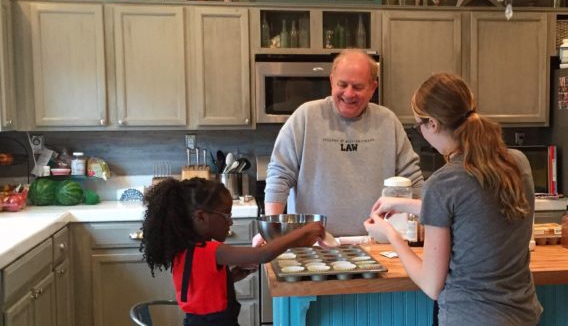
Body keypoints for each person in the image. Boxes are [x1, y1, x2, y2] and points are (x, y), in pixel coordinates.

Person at [364, 73, 542, 326]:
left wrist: (390, 234)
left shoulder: (443, 182)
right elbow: (473, 212)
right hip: (524, 316)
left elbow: (431, 285)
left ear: (433, 124)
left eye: (418, 126)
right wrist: (401, 203)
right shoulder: (517, 163)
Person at [255, 49, 423, 240]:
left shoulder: (388, 122)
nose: (349, 94)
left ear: (373, 87)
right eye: (342, 84)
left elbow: (413, 181)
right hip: (313, 244)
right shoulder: (305, 117)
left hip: (376, 243)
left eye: (358, 87)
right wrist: (272, 228)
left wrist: (423, 228)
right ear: (331, 80)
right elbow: (279, 176)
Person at [141, 177, 324, 326]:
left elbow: (199, 288)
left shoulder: (183, 249)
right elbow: (263, 254)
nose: (230, 221)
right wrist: (304, 231)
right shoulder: (212, 250)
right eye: (226, 214)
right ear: (201, 217)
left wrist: (231, 276)